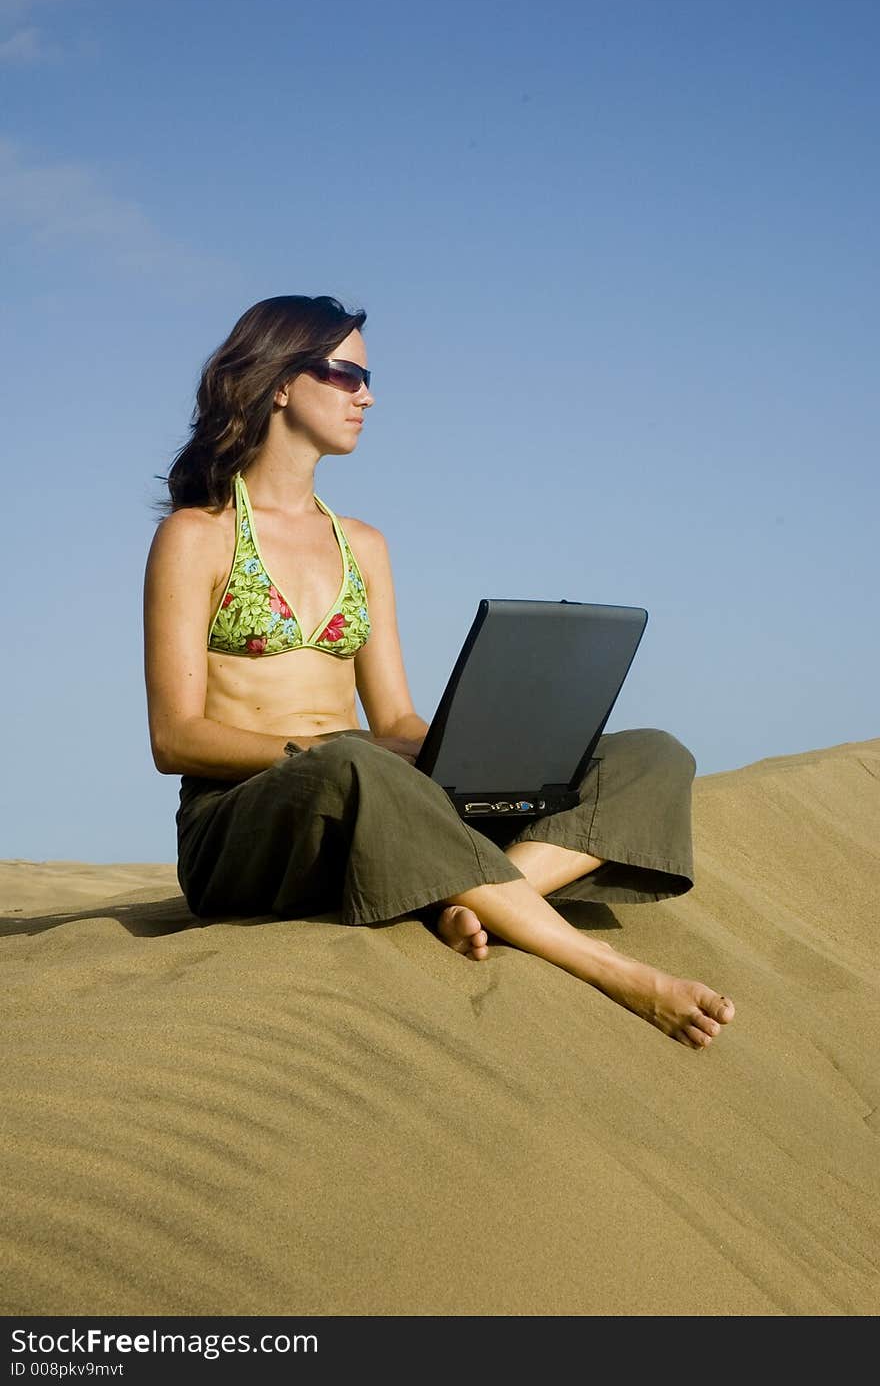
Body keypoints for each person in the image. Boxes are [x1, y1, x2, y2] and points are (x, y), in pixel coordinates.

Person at [143, 294, 735, 1051]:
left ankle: (477, 900)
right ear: (280, 381)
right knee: (355, 758)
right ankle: (606, 965)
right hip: (245, 827)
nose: (368, 394)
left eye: (368, 377)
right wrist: (328, 749)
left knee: (652, 755)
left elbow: (394, 722)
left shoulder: (362, 544)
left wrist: (479, 748)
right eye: (346, 374)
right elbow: (175, 737)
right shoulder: (196, 535)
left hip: (374, 795)